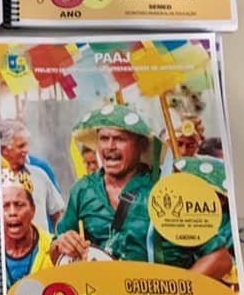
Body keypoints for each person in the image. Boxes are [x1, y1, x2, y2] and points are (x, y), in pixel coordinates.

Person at [52, 105, 233, 280]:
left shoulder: (169, 189)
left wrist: (177, 291)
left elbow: (219, 258)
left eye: (120, 139)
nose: (110, 146)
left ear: (141, 145)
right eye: (104, 138)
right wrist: (62, 244)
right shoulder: (83, 190)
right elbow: (55, 253)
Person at [0, 119, 64, 233]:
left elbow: (58, 213)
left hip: (43, 243)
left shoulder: (39, 175)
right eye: (21, 146)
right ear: (4, 150)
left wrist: (59, 237)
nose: (26, 150)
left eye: (26, 145)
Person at [1, 169, 53, 288]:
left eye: (19, 205)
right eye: (5, 206)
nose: (12, 212)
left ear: (33, 210)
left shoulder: (53, 247)